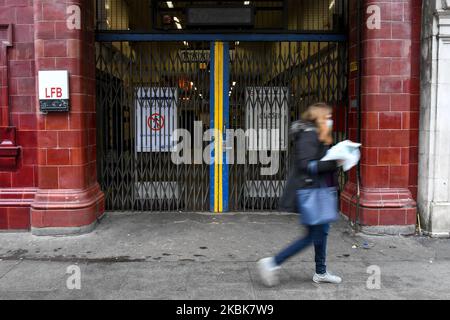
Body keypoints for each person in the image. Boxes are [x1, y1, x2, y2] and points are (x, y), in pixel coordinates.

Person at [257, 102, 342, 287]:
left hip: (320, 191)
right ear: (318, 117)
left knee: (322, 232)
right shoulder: (309, 135)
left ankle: (320, 271)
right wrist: (334, 162)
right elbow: (307, 164)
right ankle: (272, 263)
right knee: (312, 236)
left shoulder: (318, 135)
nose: (330, 120)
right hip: (311, 192)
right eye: (327, 117)